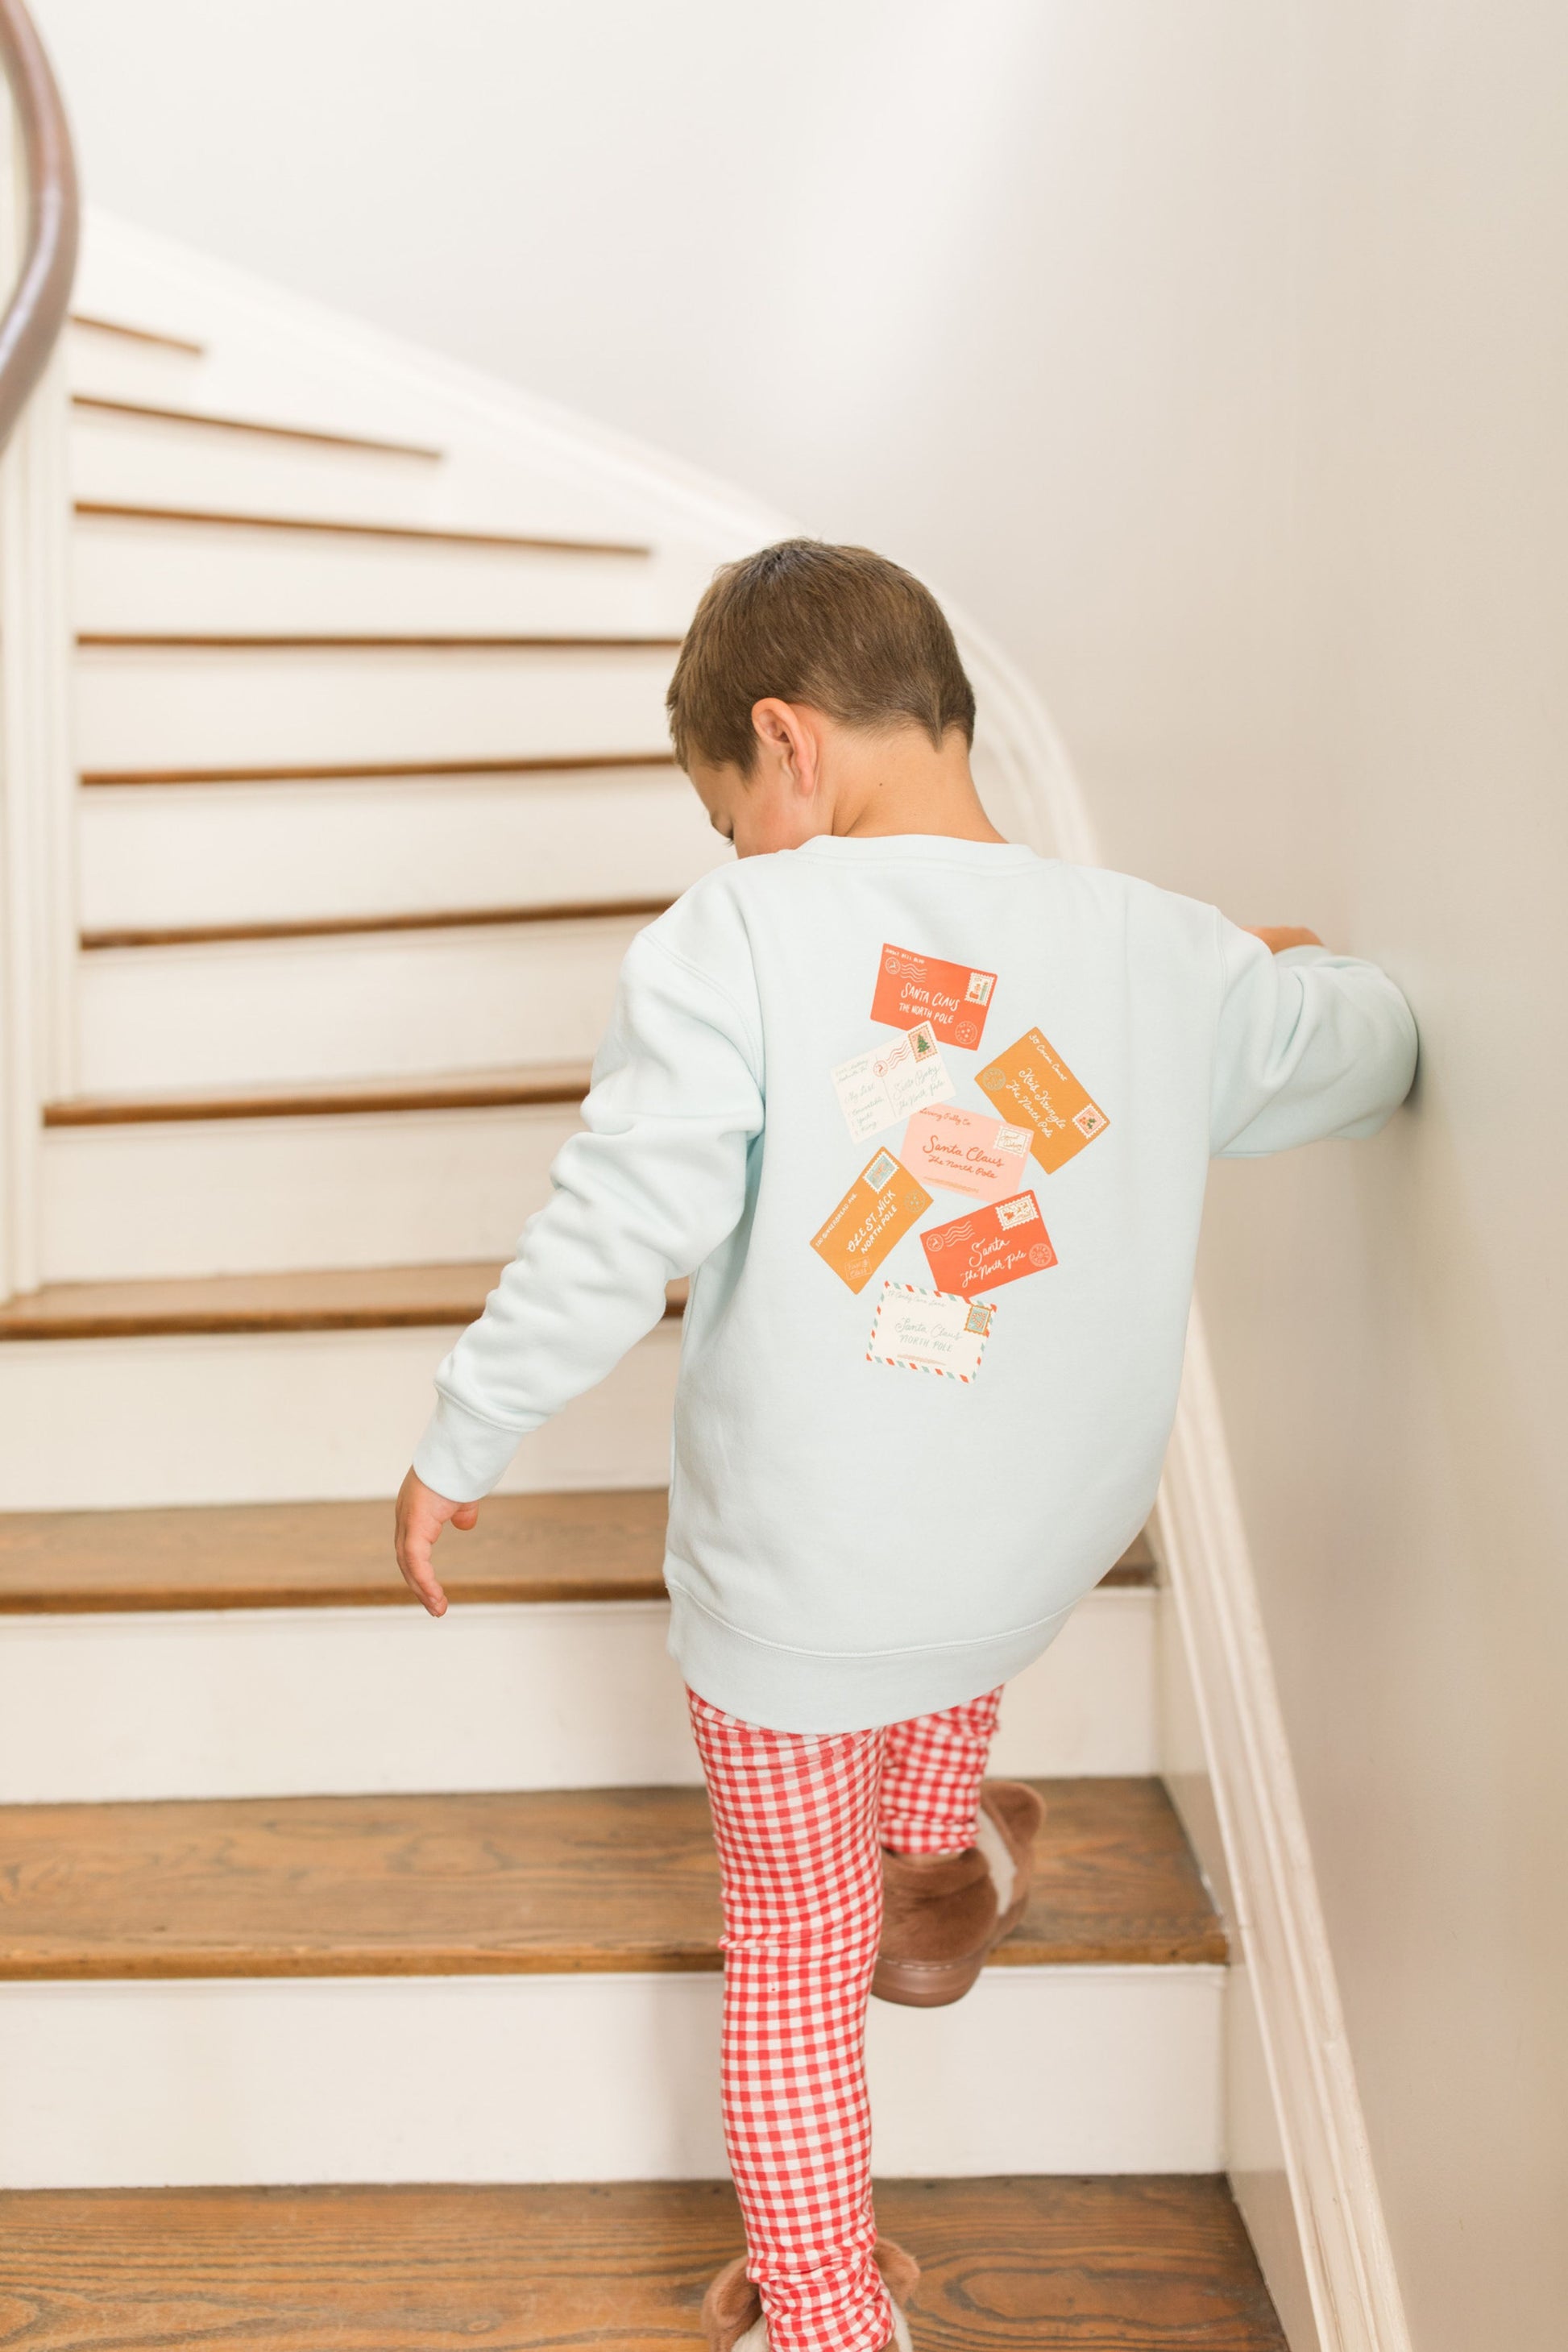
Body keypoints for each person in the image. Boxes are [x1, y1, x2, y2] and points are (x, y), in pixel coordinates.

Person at [394, 539, 1417, 2352]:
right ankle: (940, 1855)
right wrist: (1249, 973)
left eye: (732, 818)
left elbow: (611, 1223)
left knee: (794, 1955)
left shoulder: (744, 939)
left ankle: (823, 2316)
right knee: (947, 1603)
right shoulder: (1151, 949)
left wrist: (464, 1435)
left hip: (801, 1593)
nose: (738, 860)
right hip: (1031, 1552)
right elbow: (1377, 1043)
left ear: (783, 746)